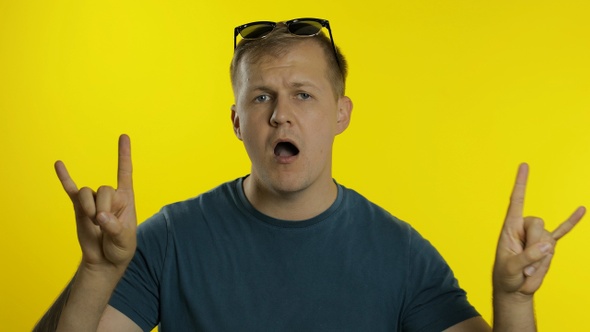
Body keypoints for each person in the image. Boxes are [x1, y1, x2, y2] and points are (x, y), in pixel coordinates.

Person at [35, 18, 585, 331]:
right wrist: (96, 270)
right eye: (262, 97)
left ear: (341, 114)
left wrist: (513, 302)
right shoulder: (170, 238)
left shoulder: (400, 253)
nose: (282, 114)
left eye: (303, 94)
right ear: (236, 121)